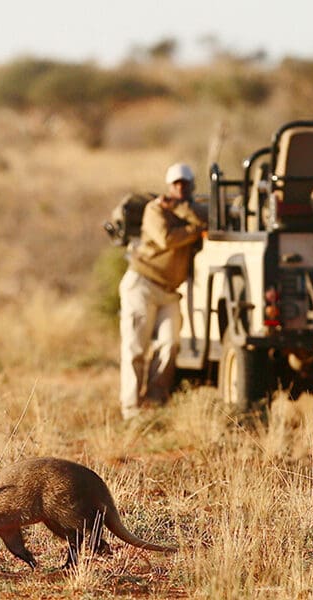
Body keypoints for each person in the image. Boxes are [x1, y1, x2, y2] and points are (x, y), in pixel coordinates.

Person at [119, 163, 207, 420]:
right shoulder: (155, 209)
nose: (180, 188)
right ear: (169, 185)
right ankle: (131, 409)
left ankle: (155, 402)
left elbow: (207, 219)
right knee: (135, 348)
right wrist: (195, 230)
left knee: (170, 344)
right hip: (143, 284)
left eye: (185, 184)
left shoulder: (189, 209)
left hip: (169, 290)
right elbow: (167, 239)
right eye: (176, 184)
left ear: (191, 186)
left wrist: (184, 212)